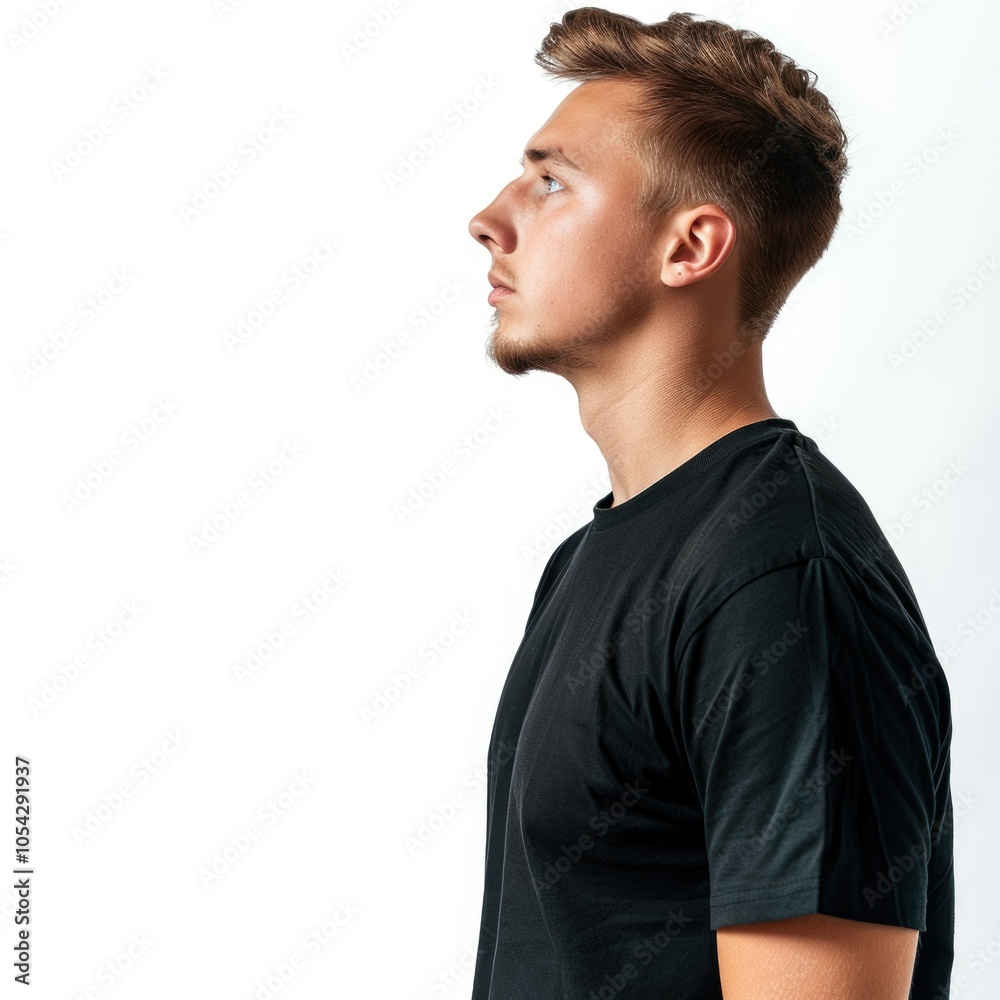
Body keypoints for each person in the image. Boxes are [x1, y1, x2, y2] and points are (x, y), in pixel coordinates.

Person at [465, 8, 954, 1000]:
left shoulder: (777, 575)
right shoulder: (596, 557)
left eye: (550, 180)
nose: (490, 214)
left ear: (689, 248)